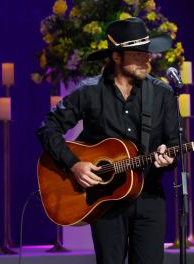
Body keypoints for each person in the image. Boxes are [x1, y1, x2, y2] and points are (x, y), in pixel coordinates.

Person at [37, 17, 179, 264]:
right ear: (116, 57)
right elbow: (48, 128)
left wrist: (169, 156)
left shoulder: (162, 94)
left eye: (147, 53)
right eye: (137, 54)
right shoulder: (89, 91)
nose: (147, 59)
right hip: (105, 202)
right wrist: (74, 164)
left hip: (149, 198)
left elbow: (177, 141)